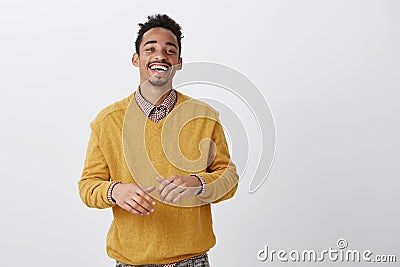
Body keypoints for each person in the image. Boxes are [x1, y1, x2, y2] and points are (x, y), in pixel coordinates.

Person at [78, 14, 239, 267]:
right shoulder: (107, 121)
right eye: (150, 48)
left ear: (178, 62)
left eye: (169, 50)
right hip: (130, 262)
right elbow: (87, 186)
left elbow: (228, 179)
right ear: (136, 59)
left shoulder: (203, 116)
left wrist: (197, 182)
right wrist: (115, 190)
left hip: (192, 261)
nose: (160, 55)